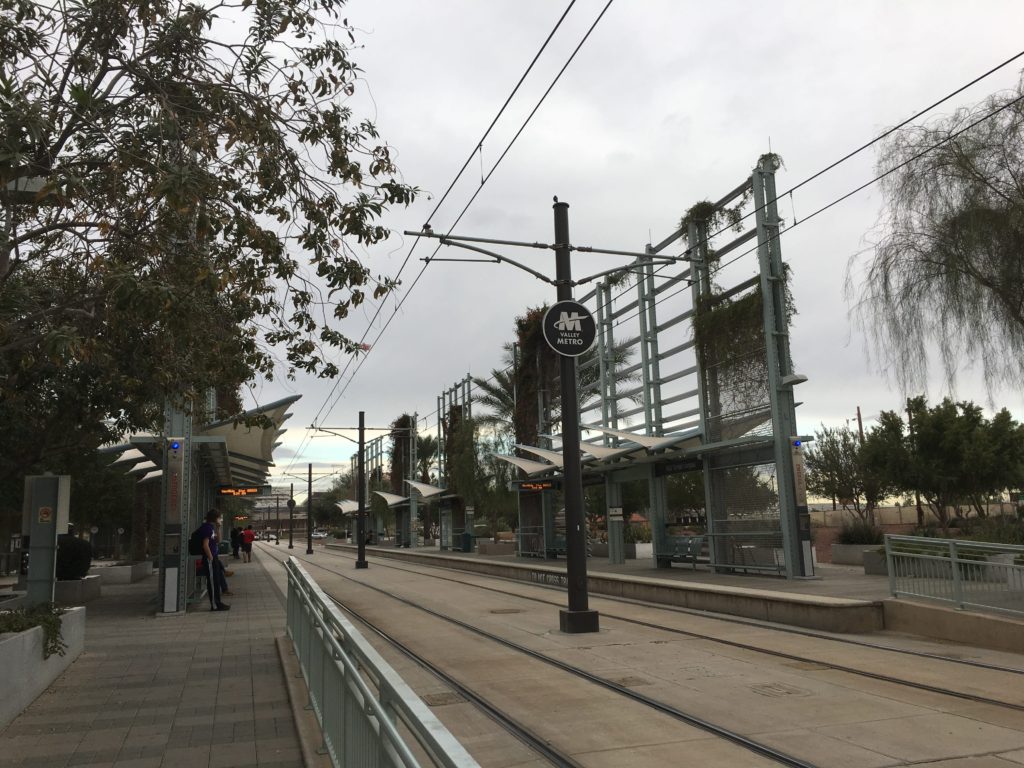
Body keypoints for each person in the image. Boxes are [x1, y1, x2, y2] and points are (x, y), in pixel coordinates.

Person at [199, 510, 230, 611]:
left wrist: (218, 528)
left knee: (216, 581)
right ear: (214, 518)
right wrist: (211, 558)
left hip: (214, 557)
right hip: (210, 559)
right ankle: (215, 605)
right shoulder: (207, 528)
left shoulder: (211, 528)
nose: (220, 519)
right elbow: (205, 545)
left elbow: (218, 541)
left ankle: (218, 603)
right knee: (212, 583)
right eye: (219, 517)